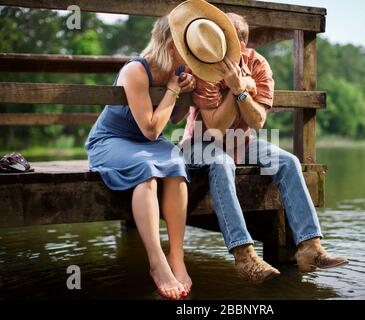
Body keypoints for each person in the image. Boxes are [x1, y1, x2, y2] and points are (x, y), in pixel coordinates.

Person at [170, 0, 348, 284]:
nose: (219, 50)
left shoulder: (258, 64)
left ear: (242, 45)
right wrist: (237, 89)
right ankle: (244, 255)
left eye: (226, 42)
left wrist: (242, 94)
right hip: (200, 143)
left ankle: (310, 247)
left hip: (244, 139)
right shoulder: (203, 65)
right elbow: (215, 128)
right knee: (221, 161)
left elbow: (257, 121)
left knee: (288, 161)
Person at [85, 16, 197, 300]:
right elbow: (149, 129)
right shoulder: (136, 70)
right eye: (189, 45)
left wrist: (187, 90)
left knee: (175, 164)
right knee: (146, 169)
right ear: (172, 45)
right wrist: (173, 90)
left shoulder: (178, 68)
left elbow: (173, 119)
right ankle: (157, 262)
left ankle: (177, 256)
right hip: (112, 140)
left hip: (147, 140)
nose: (195, 51)